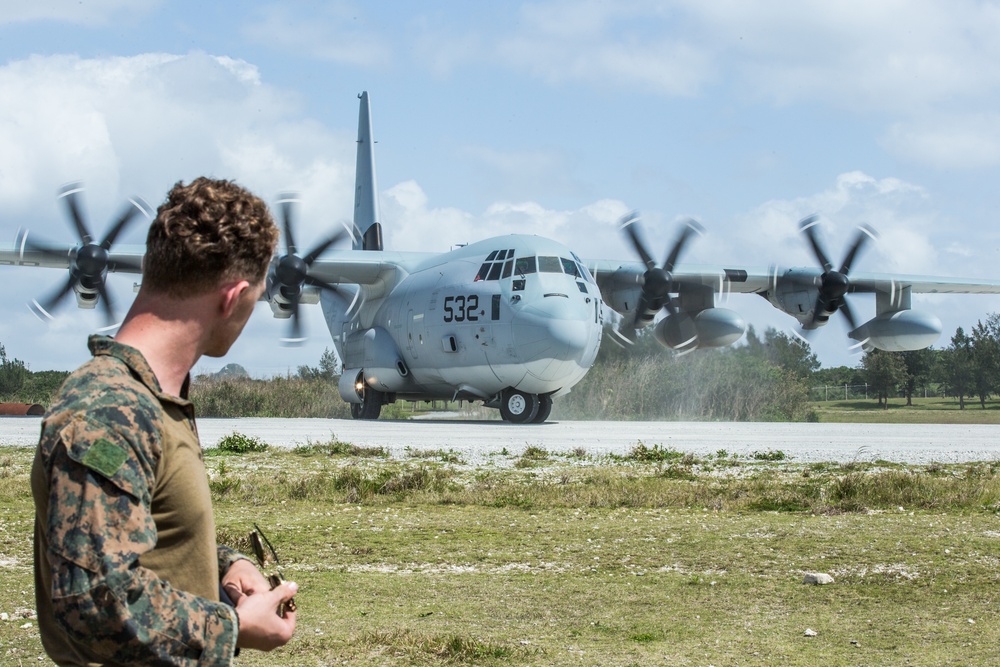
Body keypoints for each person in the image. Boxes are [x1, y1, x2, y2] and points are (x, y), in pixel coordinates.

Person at [31, 177, 297, 665]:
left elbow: (134, 535)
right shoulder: (108, 411)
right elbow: (93, 601)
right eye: (254, 302)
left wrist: (224, 566)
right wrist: (232, 627)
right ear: (232, 297)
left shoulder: (152, 401)